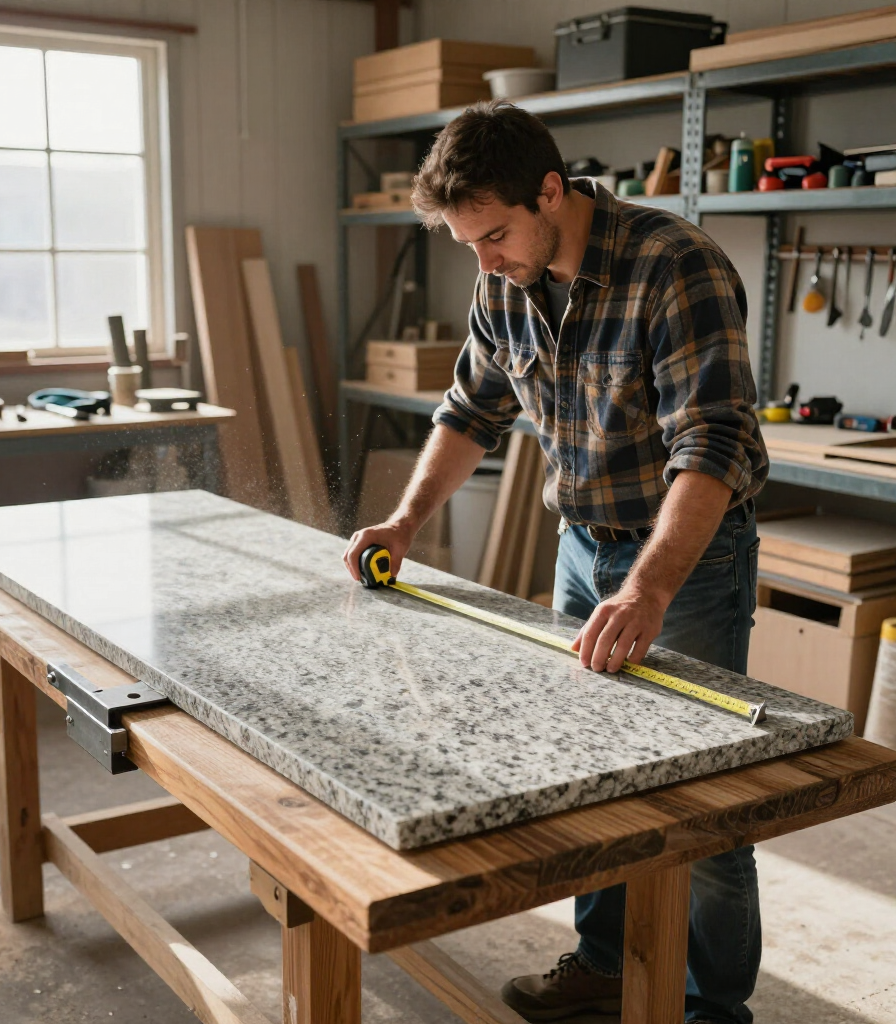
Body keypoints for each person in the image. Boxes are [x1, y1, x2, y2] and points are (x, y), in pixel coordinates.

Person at [342, 101, 768, 1024]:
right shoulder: (504, 280)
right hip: (582, 544)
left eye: (494, 234)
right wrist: (406, 522)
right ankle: (610, 962)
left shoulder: (674, 265)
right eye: (468, 243)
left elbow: (713, 443)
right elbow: (469, 413)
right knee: (594, 774)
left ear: (552, 190)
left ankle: (709, 1009)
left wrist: (651, 588)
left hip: (683, 559)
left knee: (703, 794)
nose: (484, 258)